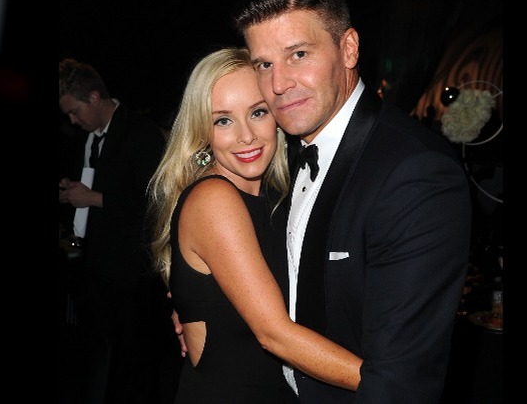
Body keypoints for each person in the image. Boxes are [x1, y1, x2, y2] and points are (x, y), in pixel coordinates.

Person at [232, 0, 473, 402]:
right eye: (264, 64)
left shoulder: (415, 174)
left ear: (348, 48)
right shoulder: (278, 152)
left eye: (299, 54)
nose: (279, 84)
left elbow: (401, 384)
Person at [146, 47, 362, 403]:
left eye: (257, 112)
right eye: (223, 120)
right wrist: (390, 381)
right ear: (203, 131)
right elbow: (274, 333)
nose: (246, 136)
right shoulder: (214, 199)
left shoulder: (279, 196)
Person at [58, 58, 181, 404]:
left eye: (74, 111)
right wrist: (75, 191)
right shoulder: (91, 139)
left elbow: (152, 203)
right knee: (105, 359)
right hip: (98, 268)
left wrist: (93, 198)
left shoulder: (140, 132)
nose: (72, 120)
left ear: (94, 97)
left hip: (133, 276)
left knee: (138, 365)